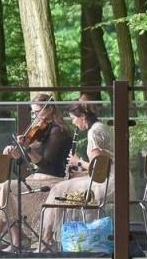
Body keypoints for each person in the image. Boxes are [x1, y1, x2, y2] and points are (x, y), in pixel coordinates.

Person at [0, 93, 71, 250]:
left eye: (38, 111)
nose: (35, 116)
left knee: (5, 188)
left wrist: (28, 149)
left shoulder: (58, 132)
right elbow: (28, 161)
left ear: (50, 109)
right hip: (38, 176)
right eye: (33, 112)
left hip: (52, 180)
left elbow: (47, 165)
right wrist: (16, 152)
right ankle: (16, 239)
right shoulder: (42, 131)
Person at [40, 97, 114, 249]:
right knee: (66, 186)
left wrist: (77, 161)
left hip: (107, 183)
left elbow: (98, 167)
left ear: (83, 117)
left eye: (74, 118)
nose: (73, 122)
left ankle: (46, 239)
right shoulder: (103, 127)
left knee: (57, 190)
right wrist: (78, 175)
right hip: (115, 178)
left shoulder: (93, 132)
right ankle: (51, 239)